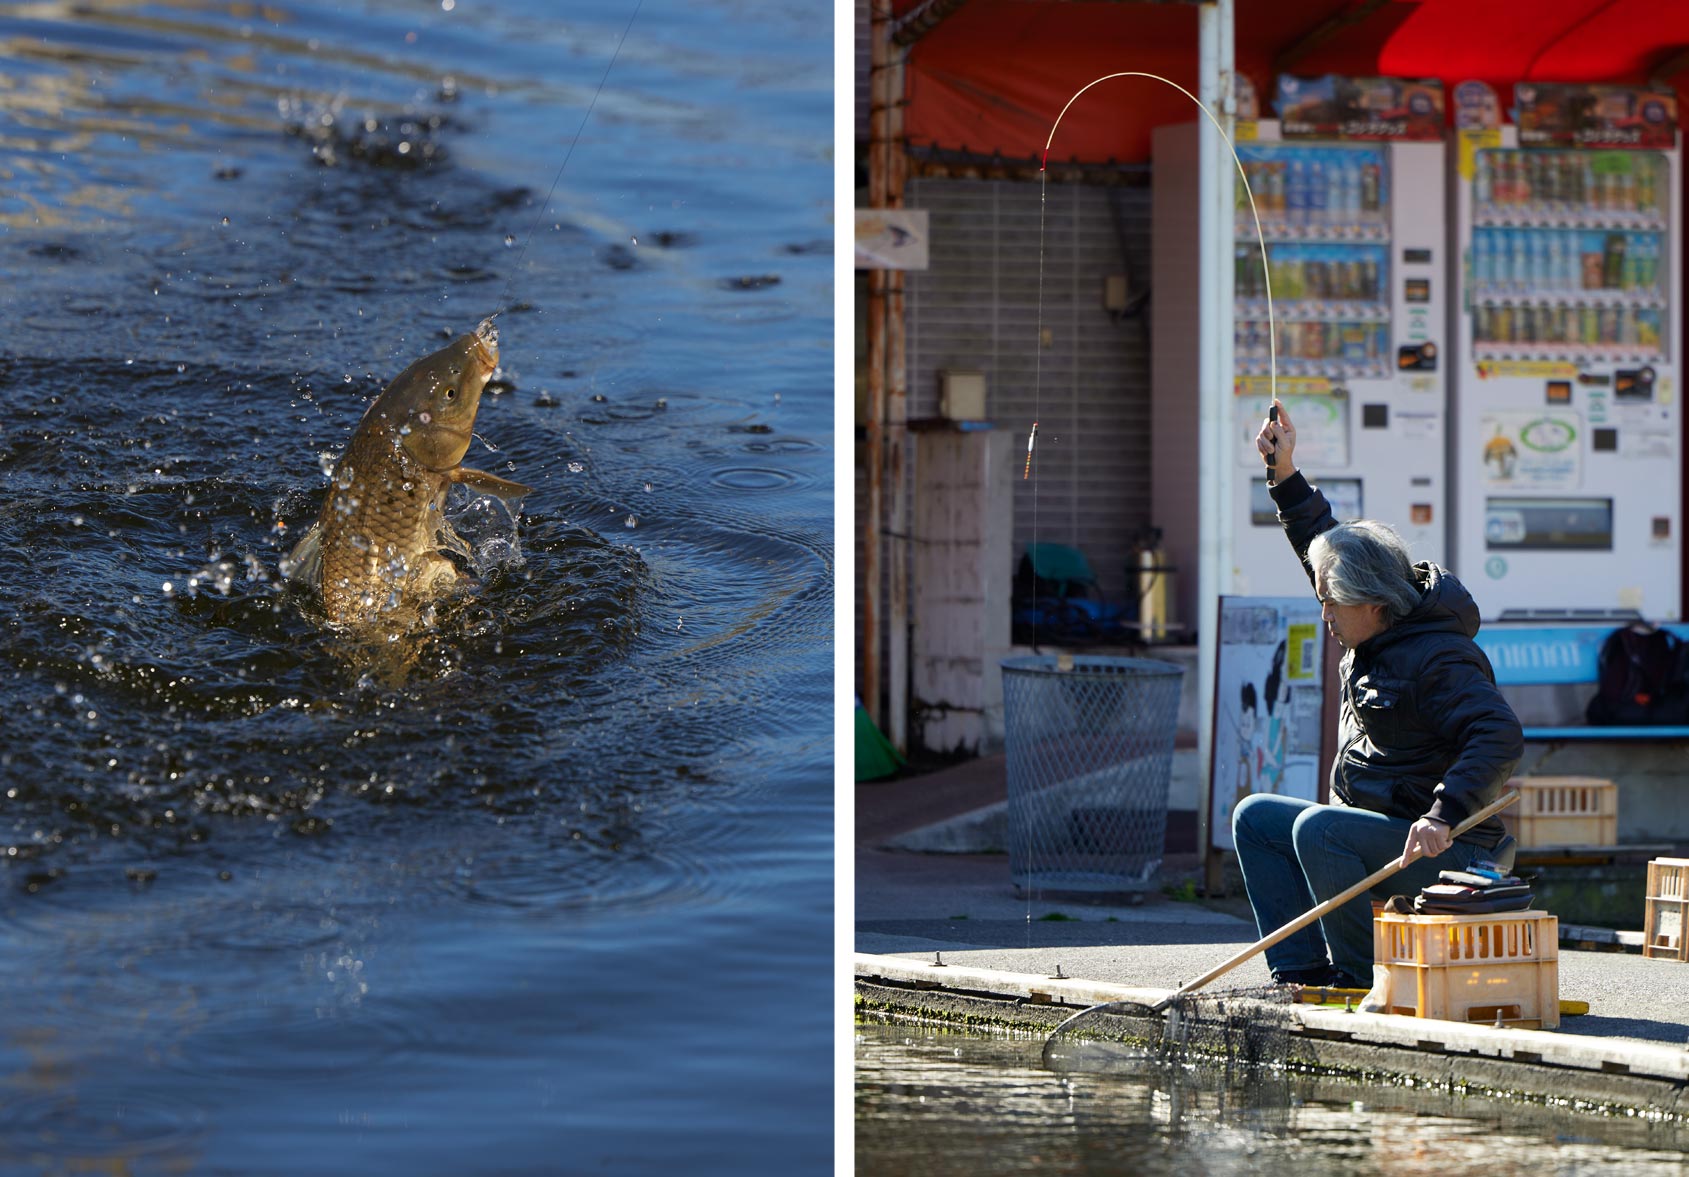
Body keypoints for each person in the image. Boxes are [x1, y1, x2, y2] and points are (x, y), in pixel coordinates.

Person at [1233, 398, 1525, 989]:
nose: (1324, 616)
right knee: (1256, 818)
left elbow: (1499, 734)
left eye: (1331, 604)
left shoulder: (1440, 657)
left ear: (1372, 604)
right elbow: (1322, 542)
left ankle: (1360, 978)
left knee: (1320, 830)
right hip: (1380, 826)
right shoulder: (1373, 619)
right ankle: (1300, 971)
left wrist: (1444, 814)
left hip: (1453, 851)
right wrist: (1283, 471)